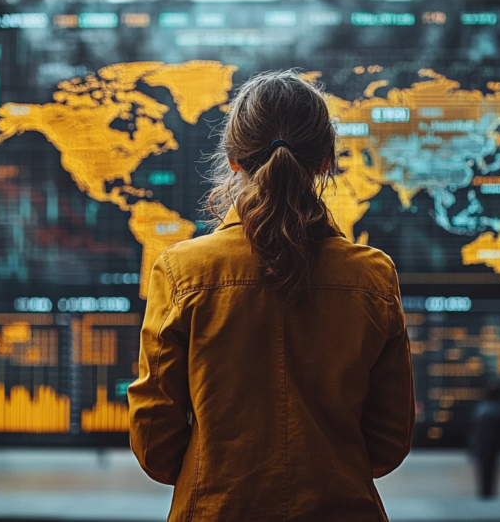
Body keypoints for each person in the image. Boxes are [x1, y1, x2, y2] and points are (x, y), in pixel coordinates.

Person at [127, 70, 416, 521]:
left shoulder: (182, 272)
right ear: (325, 162)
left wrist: (213, 471)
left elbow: (154, 444)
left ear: (234, 160)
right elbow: (388, 442)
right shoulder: (373, 277)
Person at [470, 384, 500, 499]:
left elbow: (473, 431)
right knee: (492, 471)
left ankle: (484, 494)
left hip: (482, 446)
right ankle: (489, 494)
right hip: (493, 447)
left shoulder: (480, 410)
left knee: (483, 472)